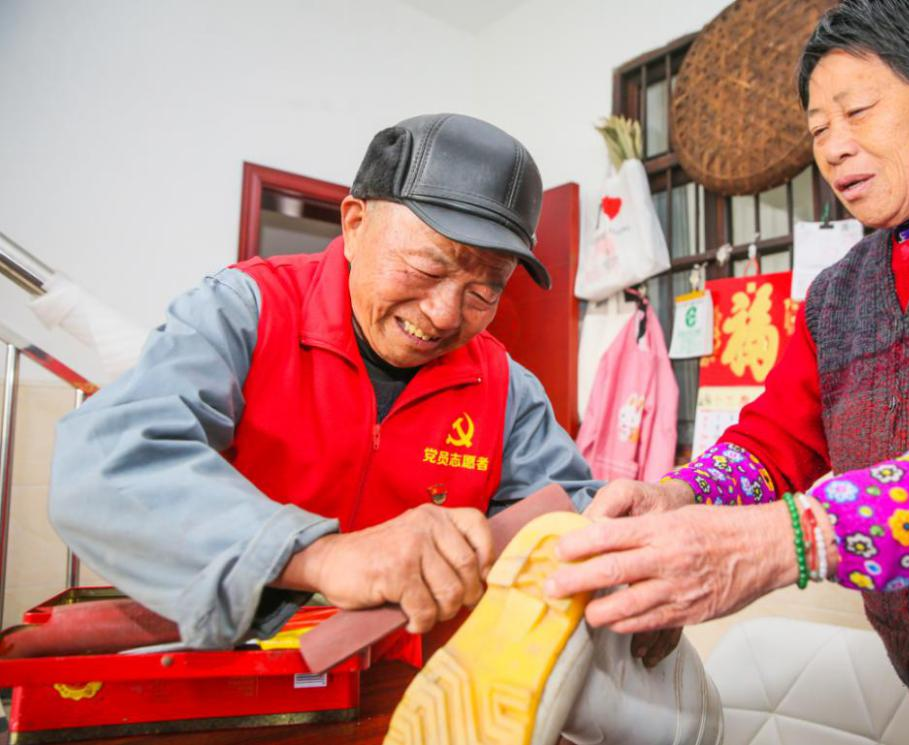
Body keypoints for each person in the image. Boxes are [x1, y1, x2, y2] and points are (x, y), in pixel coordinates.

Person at [549, 1, 909, 743]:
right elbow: (772, 445)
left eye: (858, 111)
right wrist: (679, 495)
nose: (835, 147)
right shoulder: (839, 292)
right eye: (818, 129)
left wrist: (794, 538)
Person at [49, 113, 600, 658]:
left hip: (401, 684)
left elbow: (569, 517)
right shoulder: (243, 312)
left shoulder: (505, 387)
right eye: (427, 270)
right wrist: (322, 556)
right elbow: (106, 464)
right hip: (232, 671)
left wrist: (621, 554)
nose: (443, 315)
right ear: (355, 224)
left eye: (483, 293)